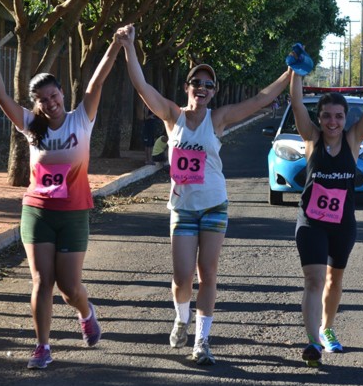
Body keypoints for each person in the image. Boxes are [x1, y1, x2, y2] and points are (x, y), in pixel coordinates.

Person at [116, 24, 291, 366]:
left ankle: (202, 340)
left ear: (214, 91)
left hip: (214, 205)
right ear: (188, 87)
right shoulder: (173, 115)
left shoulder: (219, 118)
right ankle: (181, 318)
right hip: (182, 208)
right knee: (182, 276)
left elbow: (259, 100)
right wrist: (129, 47)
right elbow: (142, 86)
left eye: (209, 85)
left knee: (207, 274)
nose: (203, 88)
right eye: (197, 82)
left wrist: (289, 73)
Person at [0, 31, 122, 369]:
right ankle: (42, 346)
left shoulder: (82, 118)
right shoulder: (32, 125)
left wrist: (116, 44)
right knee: (41, 280)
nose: (50, 103)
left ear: (62, 93)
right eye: (43, 100)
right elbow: (2, 95)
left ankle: (86, 311)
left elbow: (96, 79)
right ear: (37, 103)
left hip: (74, 212)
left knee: (68, 285)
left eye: (54, 96)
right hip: (36, 211)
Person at [289, 65, 363, 367]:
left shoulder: (353, 140)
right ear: (319, 119)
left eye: (338, 116)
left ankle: (327, 328)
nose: (332, 122)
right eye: (327, 116)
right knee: (314, 279)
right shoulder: (311, 137)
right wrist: (296, 72)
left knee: (334, 280)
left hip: (343, 224)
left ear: (346, 119)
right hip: (311, 222)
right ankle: (312, 343)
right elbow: (296, 101)